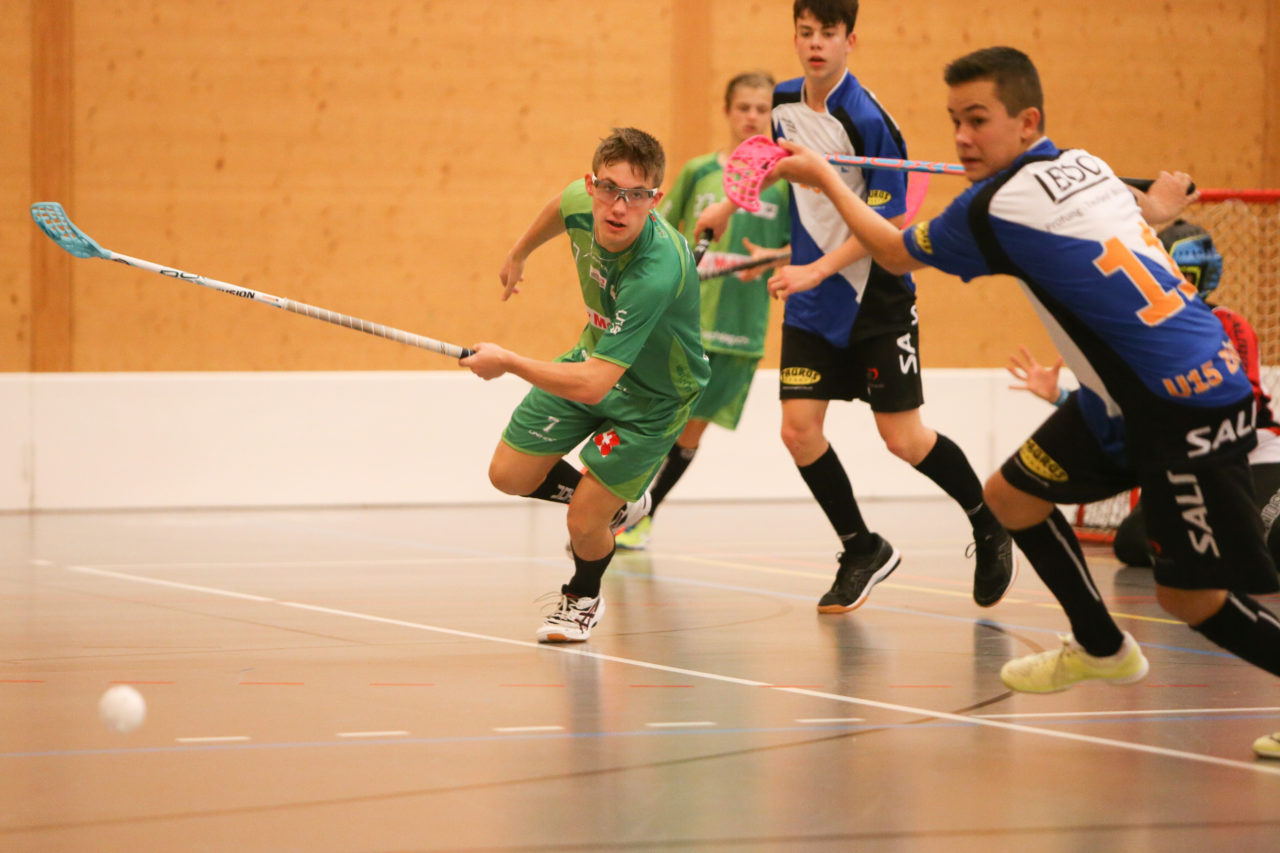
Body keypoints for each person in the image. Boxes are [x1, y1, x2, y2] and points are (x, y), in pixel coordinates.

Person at [769, 45, 1280, 759]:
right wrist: (1156, 212)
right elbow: (1117, 227)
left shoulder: (988, 208)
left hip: (1183, 407)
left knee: (1191, 600)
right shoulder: (1089, 164)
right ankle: (1100, 644)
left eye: (978, 120)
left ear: (1027, 118)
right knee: (1010, 498)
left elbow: (889, 250)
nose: (962, 139)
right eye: (954, 122)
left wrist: (825, 177)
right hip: (1121, 399)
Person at [694, 0, 1015, 613]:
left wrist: (815, 267)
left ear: (851, 40)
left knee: (903, 438)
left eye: (829, 34)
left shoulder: (869, 120)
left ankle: (987, 520)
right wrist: (727, 206)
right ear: (795, 37)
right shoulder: (785, 101)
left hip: (874, 293)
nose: (816, 44)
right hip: (814, 299)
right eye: (806, 33)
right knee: (798, 429)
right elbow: (772, 162)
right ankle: (861, 547)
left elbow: (892, 217)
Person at [463, 127, 710, 643]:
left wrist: (508, 361)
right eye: (609, 189)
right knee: (508, 474)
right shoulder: (584, 199)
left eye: (636, 195)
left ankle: (582, 597)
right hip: (595, 356)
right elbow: (561, 205)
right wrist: (519, 252)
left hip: (655, 397)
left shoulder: (656, 269)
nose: (619, 206)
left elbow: (596, 385)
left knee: (583, 521)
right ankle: (617, 505)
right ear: (592, 185)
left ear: (655, 200)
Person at [1006, 220, 1280, 570]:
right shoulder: (1140, 335)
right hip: (1188, 461)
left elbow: (1245, 404)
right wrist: (1061, 397)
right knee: (1133, 544)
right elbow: (1123, 407)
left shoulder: (1226, 323)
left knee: (1270, 531)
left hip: (1250, 454)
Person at [614, 71, 792, 551]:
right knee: (657, 419)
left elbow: (806, 250)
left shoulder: (786, 184)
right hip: (685, 323)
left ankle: (641, 515)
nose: (752, 117)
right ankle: (618, 507)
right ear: (728, 112)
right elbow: (659, 230)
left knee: (691, 430)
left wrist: (772, 259)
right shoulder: (699, 172)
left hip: (741, 329)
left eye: (762, 109)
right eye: (744, 108)